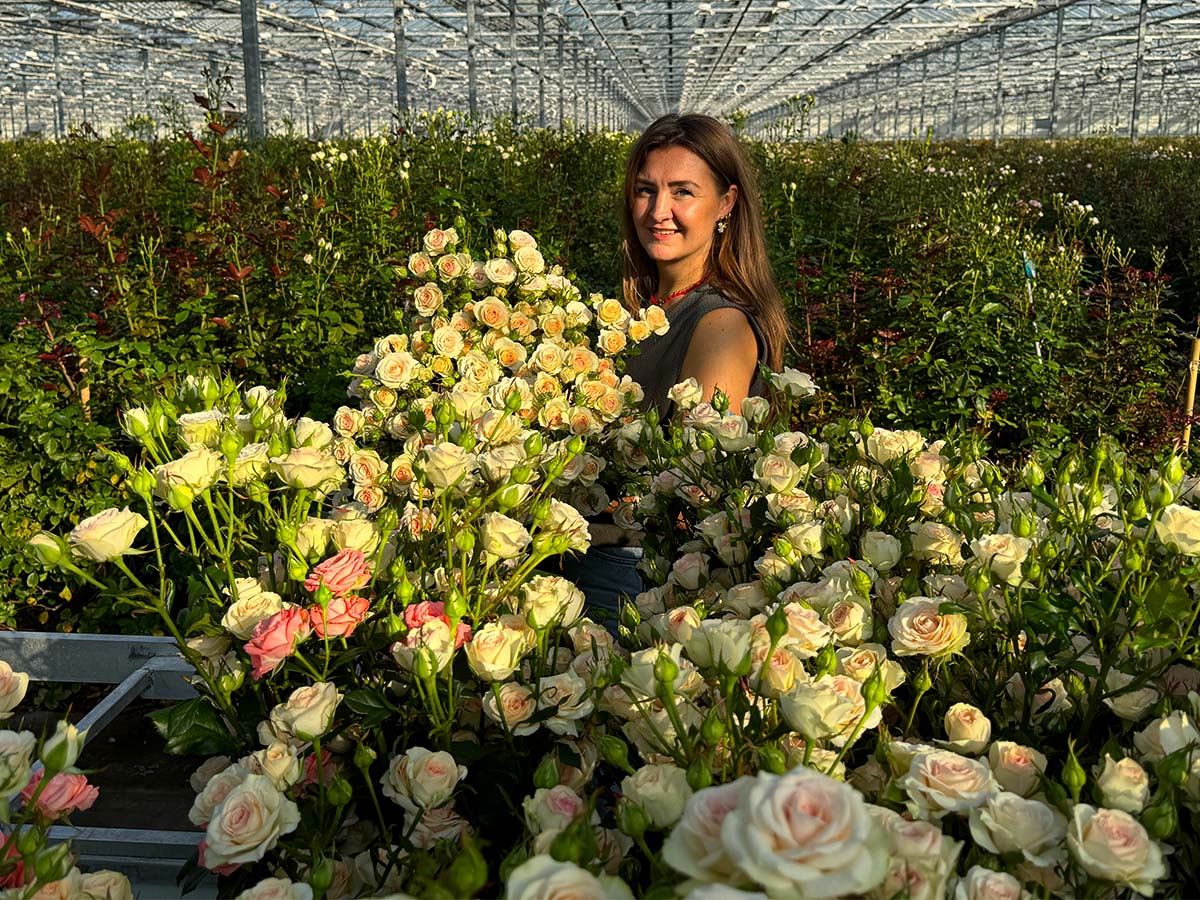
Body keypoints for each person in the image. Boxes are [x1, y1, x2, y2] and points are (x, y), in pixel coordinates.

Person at [559, 113, 788, 628]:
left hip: (635, 576)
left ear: (726, 204)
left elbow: (692, 488)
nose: (658, 211)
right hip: (584, 554)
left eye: (682, 191)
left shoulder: (719, 323)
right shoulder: (644, 313)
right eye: (645, 191)